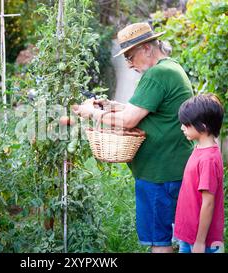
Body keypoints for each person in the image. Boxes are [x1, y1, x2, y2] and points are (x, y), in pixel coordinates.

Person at [73, 22, 193, 253]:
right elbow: (145, 110)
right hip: (171, 168)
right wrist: (111, 106)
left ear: (147, 48)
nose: (128, 64)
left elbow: (129, 120)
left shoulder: (158, 74)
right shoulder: (170, 69)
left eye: (130, 56)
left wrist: (93, 113)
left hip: (159, 173)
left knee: (160, 241)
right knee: (174, 237)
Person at [174, 94, 225, 253]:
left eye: (186, 124)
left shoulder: (208, 160)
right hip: (190, 236)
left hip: (203, 242)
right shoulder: (199, 149)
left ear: (203, 125)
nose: (182, 127)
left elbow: (208, 203)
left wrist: (200, 242)